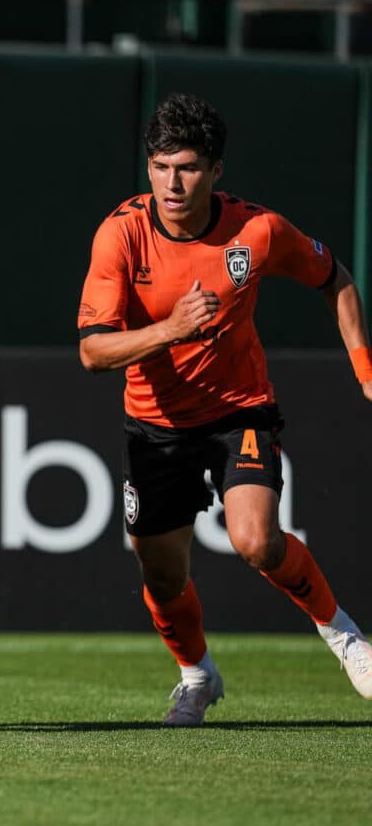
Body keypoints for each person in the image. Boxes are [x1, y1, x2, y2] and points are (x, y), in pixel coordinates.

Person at [77, 92, 372, 726]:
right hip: (155, 426)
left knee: (256, 541)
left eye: (186, 167)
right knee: (160, 574)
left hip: (240, 411)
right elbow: (94, 352)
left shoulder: (256, 232)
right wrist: (169, 330)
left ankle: (347, 637)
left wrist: (365, 368)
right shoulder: (121, 234)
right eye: (159, 166)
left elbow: (336, 279)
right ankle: (196, 675)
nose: (171, 182)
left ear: (215, 170)